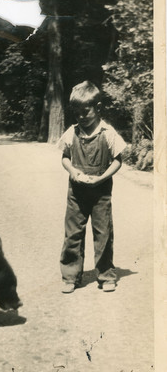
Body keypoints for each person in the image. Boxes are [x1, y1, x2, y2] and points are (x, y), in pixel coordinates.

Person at [59, 81, 126, 293]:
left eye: (85, 111)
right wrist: (73, 172)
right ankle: (71, 276)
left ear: (97, 108)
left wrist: (102, 178)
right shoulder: (72, 132)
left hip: (100, 193)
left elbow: (118, 160)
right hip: (76, 193)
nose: (81, 117)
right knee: (73, 234)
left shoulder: (108, 132)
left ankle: (106, 275)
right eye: (76, 113)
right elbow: (65, 158)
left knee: (103, 234)